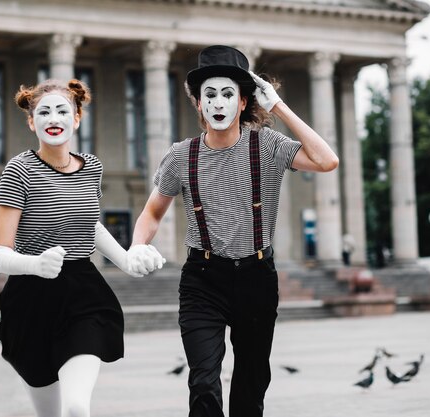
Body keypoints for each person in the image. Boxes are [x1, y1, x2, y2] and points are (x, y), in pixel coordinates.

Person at [130, 45, 339, 417]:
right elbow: (151, 212)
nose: (218, 103)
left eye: (228, 94)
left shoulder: (268, 146)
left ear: (243, 102)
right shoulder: (181, 156)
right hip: (202, 279)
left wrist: (278, 106)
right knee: (204, 382)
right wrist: (136, 245)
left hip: (257, 278)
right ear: (199, 105)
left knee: (250, 385)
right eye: (209, 95)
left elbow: (327, 160)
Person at [0, 78, 164, 417]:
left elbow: (89, 225)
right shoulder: (18, 171)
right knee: (51, 413)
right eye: (44, 112)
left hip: (83, 291)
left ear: (77, 118)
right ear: (31, 122)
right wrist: (35, 264)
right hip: (29, 298)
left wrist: (126, 260)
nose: (53, 119)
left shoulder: (91, 167)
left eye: (61, 111)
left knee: (75, 407)